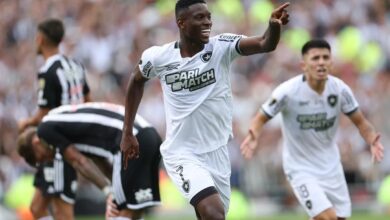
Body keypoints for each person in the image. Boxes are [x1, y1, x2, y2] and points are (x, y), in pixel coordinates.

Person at [120, 0, 290, 219]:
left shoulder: (221, 47)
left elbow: (266, 43)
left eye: (208, 16)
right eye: (199, 17)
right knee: (214, 213)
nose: (207, 22)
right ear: (181, 23)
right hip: (182, 153)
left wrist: (274, 26)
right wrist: (127, 132)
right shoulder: (159, 56)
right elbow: (136, 81)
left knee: (211, 215)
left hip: (217, 153)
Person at [240, 39, 384, 220]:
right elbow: (260, 117)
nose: (321, 62)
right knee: (328, 218)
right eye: (315, 58)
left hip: (331, 166)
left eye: (325, 57)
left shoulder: (339, 90)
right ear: (303, 65)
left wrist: (372, 139)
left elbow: (361, 122)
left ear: (331, 63)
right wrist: (254, 135)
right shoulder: (288, 91)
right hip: (300, 168)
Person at [18, 102, 162, 220]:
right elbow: (99, 158)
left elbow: (79, 161)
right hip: (149, 136)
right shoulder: (67, 123)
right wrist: (113, 186)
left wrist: (108, 192)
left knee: (117, 211)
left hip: (129, 141)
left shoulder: (45, 129)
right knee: (134, 210)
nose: (49, 158)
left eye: (41, 157)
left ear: (36, 142)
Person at [17, 18, 91, 220]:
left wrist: (26, 123)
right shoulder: (75, 66)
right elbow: (88, 100)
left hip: (58, 146)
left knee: (62, 211)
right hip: (70, 141)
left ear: (40, 39)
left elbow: (43, 113)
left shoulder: (48, 70)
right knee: (36, 208)